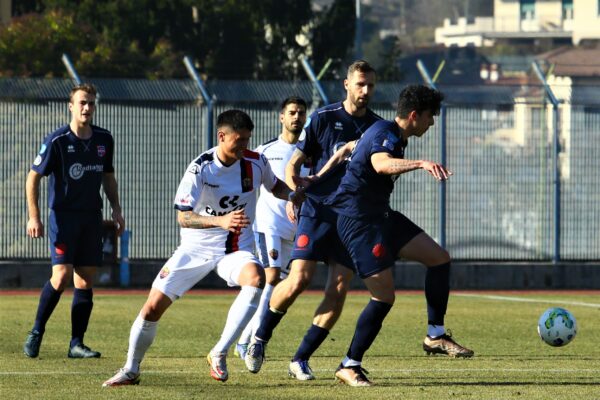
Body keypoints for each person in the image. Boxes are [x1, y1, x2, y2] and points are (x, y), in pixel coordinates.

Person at [102, 109, 302, 387]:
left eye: (247, 140)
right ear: (222, 136)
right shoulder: (201, 167)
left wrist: (293, 195)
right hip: (194, 250)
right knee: (151, 309)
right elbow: (183, 216)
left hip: (234, 250)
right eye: (239, 140)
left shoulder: (256, 162)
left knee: (256, 278)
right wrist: (220, 220)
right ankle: (131, 369)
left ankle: (219, 352)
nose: (244, 146)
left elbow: (275, 185)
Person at [328, 84, 473, 387]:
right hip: (359, 221)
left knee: (439, 259)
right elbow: (380, 164)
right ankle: (349, 364)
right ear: (414, 115)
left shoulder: (387, 131)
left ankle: (435, 334)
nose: (432, 122)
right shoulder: (387, 134)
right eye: (430, 116)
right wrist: (421, 163)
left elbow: (360, 148)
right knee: (384, 296)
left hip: (381, 216)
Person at [245, 60, 381, 379]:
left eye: (371, 85)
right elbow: (295, 163)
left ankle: (300, 358)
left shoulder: (377, 127)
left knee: (338, 288)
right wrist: (295, 192)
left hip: (352, 220)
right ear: (346, 84)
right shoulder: (323, 118)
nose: (365, 91)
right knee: (299, 279)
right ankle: (259, 338)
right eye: (360, 84)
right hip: (318, 210)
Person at [23, 83, 125, 359]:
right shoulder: (57, 140)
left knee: (85, 279)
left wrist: (116, 208)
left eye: (91, 103)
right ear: (71, 106)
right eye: (82, 103)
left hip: (91, 218)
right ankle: (36, 332)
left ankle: (76, 344)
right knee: (62, 276)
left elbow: (108, 176)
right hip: (63, 218)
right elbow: (33, 177)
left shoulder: (104, 139)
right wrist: (34, 217)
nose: (87, 108)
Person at [235, 96, 309, 359]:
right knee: (272, 277)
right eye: (292, 112)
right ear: (282, 117)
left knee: (281, 285)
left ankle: (246, 339)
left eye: (301, 112)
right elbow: (251, 183)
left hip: (296, 229)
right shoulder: (265, 150)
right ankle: (250, 341)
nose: (296, 117)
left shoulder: (308, 152)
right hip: (269, 225)